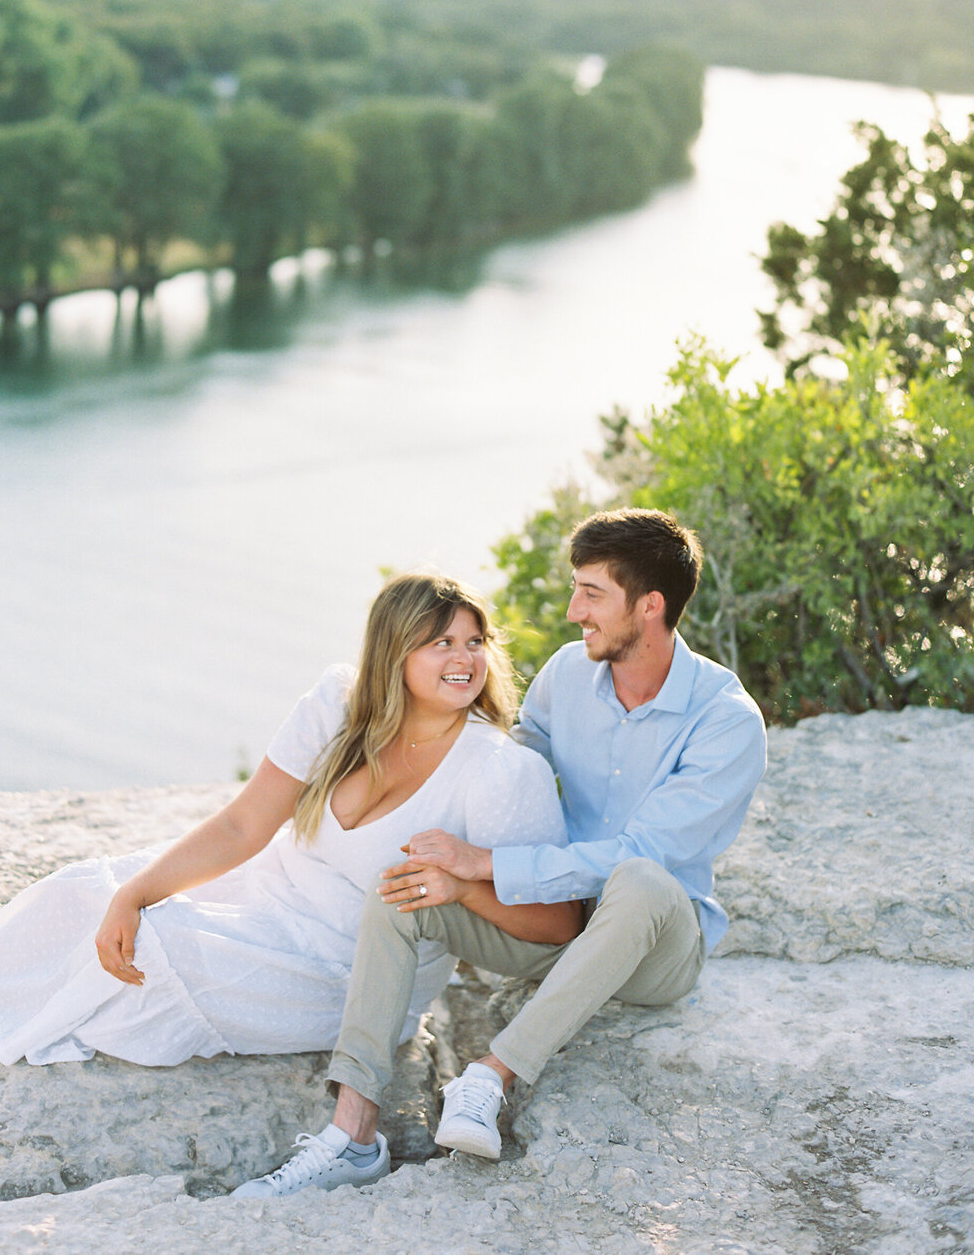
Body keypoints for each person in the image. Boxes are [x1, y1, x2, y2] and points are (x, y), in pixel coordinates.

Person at [0, 569, 580, 1190]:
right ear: (392, 654)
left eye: (475, 641)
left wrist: (465, 885)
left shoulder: (499, 773)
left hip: (345, 970)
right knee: (81, 893)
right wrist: (135, 889)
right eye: (440, 641)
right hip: (265, 899)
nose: (465, 657)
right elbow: (241, 827)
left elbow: (559, 926)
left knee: (163, 947)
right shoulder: (338, 709)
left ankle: (53, 1005)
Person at [234, 508, 766, 1198]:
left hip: (650, 947)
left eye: (592, 594)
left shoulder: (725, 721)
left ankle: (491, 1075)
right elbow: (511, 768)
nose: (574, 610)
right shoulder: (568, 674)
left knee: (639, 878)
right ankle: (352, 1136)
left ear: (651, 605)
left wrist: (484, 865)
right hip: (549, 926)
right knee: (407, 889)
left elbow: (639, 854)